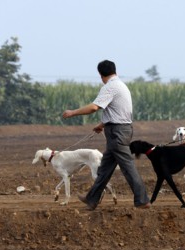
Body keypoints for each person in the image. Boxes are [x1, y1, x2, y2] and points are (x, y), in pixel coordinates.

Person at [62, 60, 150, 210]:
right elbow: (118, 112)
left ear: (101, 74)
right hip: (119, 130)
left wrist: (72, 113)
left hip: (117, 132)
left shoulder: (109, 87)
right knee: (104, 169)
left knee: (127, 166)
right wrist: (102, 125)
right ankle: (92, 199)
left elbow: (94, 107)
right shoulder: (121, 85)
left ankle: (142, 200)